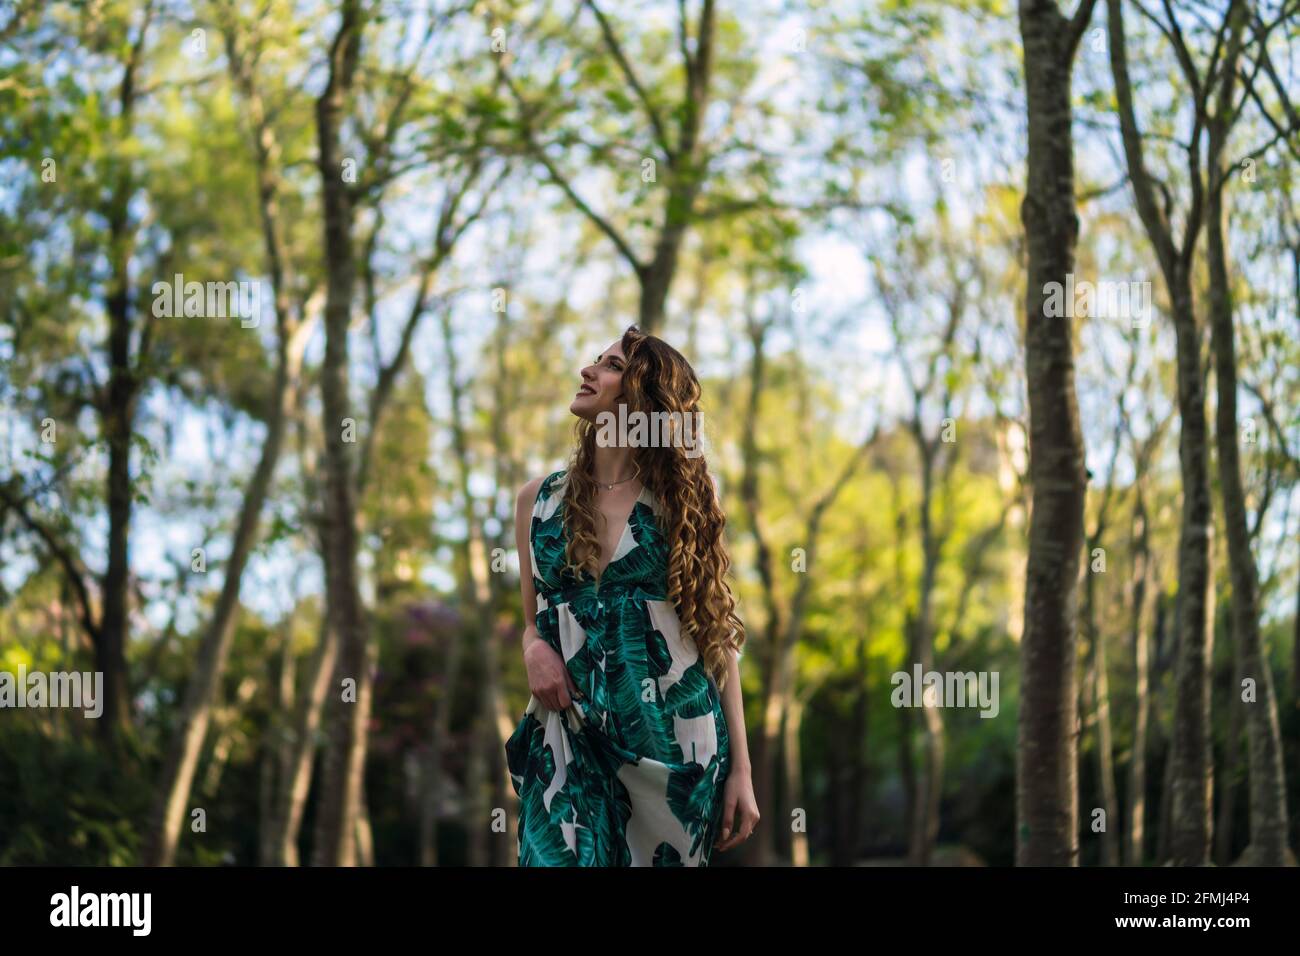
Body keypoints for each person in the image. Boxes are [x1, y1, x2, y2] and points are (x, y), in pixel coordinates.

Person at [505, 324, 759, 866]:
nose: (588, 370)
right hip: (568, 736)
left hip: (673, 746)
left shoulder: (685, 500)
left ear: (644, 395)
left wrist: (742, 769)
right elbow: (533, 622)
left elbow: (716, 634)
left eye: (612, 365)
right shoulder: (537, 500)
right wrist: (533, 649)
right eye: (597, 359)